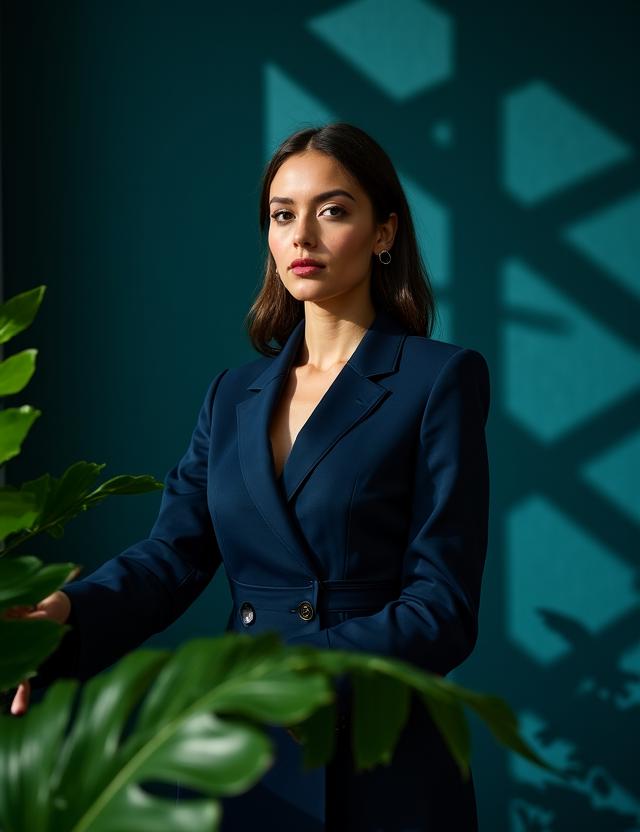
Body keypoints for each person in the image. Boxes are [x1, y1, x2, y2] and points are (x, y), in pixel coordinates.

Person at [8, 121, 491, 830]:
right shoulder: (233, 394)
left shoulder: (438, 378)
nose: (303, 237)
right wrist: (67, 618)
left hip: (380, 753)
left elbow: (442, 608)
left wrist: (284, 671)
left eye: (332, 210)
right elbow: (173, 555)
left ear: (384, 233)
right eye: (282, 215)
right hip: (246, 751)